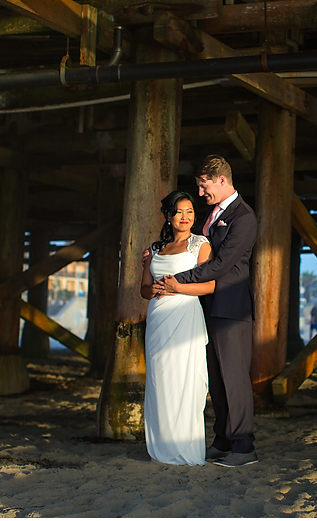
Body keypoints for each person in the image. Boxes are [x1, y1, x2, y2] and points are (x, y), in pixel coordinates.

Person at [156, 154, 258, 468]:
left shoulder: (244, 218)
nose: (200, 193)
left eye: (203, 186)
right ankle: (223, 441)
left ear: (221, 180)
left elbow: (219, 265)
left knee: (234, 378)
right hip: (206, 309)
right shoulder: (215, 214)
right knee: (216, 379)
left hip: (231, 309)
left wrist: (175, 281)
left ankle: (244, 447)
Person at [140, 190, 216, 466]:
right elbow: (144, 291)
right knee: (161, 381)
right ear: (169, 216)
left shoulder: (200, 244)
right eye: (179, 212)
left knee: (184, 381)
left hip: (185, 317)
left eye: (190, 212)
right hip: (158, 319)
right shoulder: (156, 248)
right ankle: (161, 447)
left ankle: (184, 448)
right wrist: (153, 281)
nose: (185, 217)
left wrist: (177, 287)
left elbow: (210, 286)